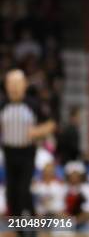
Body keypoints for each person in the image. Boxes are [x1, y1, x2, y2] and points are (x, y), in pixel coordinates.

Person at [0, 69, 56, 218]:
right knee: (11, 193)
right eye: (10, 83)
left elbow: (50, 124)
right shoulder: (2, 105)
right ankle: (20, 228)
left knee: (23, 190)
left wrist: (38, 131)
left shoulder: (33, 104)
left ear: (25, 84)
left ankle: (31, 228)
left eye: (17, 83)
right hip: (9, 152)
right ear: (6, 86)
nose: (14, 87)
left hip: (27, 153)